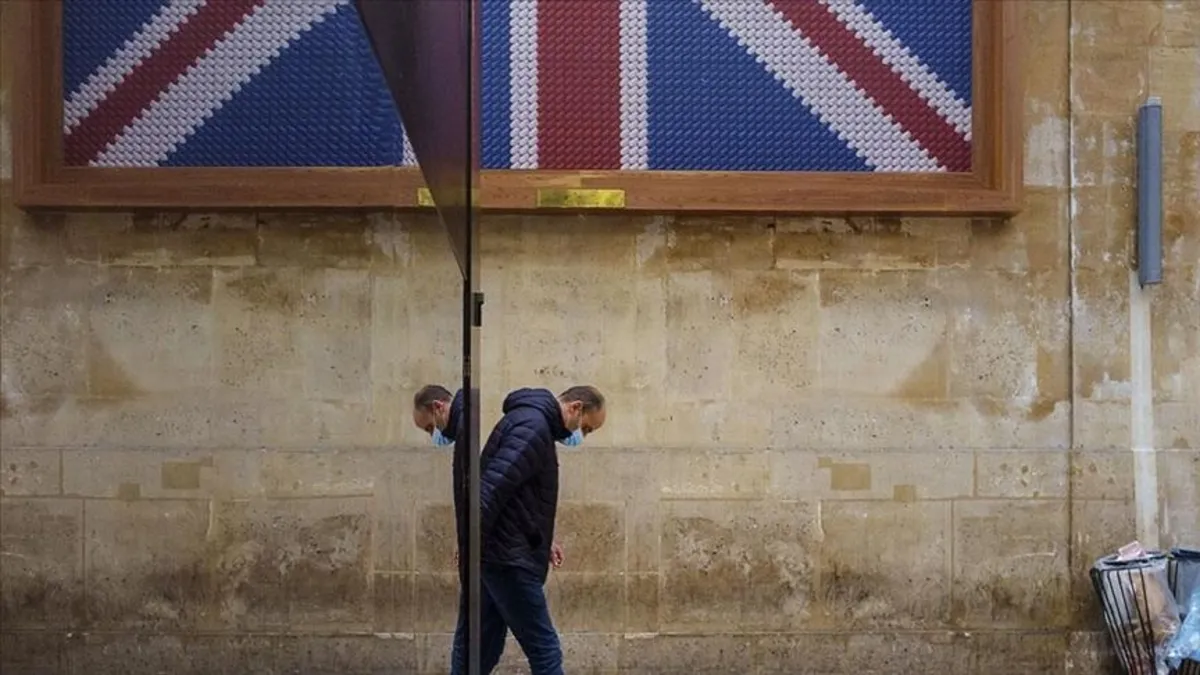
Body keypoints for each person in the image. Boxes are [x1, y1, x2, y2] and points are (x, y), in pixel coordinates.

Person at [447, 385, 606, 675]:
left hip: (496, 552)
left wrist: (544, 539)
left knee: (480, 650)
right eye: (587, 428)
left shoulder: (530, 423)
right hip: (507, 559)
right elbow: (491, 490)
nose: (580, 435)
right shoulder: (533, 429)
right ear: (576, 408)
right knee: (544, 649)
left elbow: (516, 495)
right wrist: (469, 539)